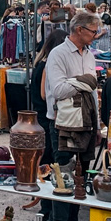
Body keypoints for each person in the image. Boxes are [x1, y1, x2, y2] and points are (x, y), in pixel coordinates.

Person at [45, 12, 102, 221]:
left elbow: (92, 93)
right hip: (63, 125)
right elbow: (58, 90)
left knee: (80, 178)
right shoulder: (58, 54)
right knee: (63, 178)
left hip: (86, 124)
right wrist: (85, 81)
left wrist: (96, 125)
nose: (95, 36)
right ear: (80, 29)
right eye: (93, 31)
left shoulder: (88, 54)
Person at [31, 28, 68, 169]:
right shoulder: (47, 66)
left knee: (45, 154)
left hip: (40, 113)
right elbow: (44, 94)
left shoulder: (40, 63)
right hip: (46, 116)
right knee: (49, 155)